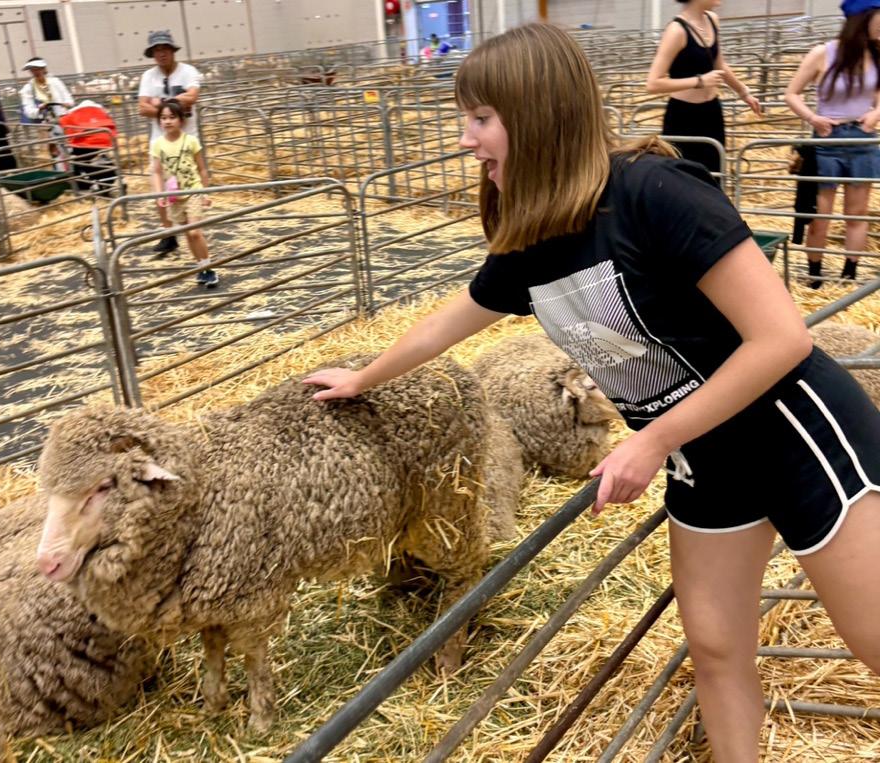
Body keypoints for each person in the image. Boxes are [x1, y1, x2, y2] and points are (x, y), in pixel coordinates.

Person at [304, 24, 880, 763]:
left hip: (798, 438)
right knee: (714, 646)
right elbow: (453, 318)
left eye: (481, 119)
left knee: (872, 636)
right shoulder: (535, 234)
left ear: (537, 114)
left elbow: (781, 339)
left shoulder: (654, 193)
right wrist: (363, 377)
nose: (466, 140)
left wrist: (653, 438)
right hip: (704, 462)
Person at [785, 0, 880, 288]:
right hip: (827, 139)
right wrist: (813, 117)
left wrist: (875, 114)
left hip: (862, 139)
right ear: (863, 19)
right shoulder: (822, 53)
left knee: (857, 214)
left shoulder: (877, 55)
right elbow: (792, 93)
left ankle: (849, 276)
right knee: (820, 215)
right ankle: (815, 276)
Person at [646, 0, 761, 178]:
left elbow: (719, 64)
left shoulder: (712, 19)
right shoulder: (676, 31)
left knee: (714, 174)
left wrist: (743, 92)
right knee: (684, 178)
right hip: (683, 117)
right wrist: (699, 81)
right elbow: (653, 83)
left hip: (712, 112)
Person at [138, 30, 201, 256]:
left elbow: (193, 96)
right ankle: (168, 234)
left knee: (188, 183)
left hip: (186, 139)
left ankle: (192, 229)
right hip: (159, 141)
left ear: (172, 51)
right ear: (152, 54)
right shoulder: (148, 76)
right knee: (160, 186)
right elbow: (142, 107)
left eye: (165, 49)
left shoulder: (188, 71)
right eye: (157, 50)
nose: (161, 53)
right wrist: (173, 108)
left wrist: (161, 104)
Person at [149, 100, 217, 287]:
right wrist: (159, 194)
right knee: (187, 233)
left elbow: (202, 169)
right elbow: (156, 172)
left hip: (193, 189)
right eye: (163, 118)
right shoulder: (158, 145)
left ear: (181, 120)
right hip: (174, 195)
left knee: (194, 232)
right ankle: (200, 267)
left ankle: (209, 268)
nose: (167, 121)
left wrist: (205, 192)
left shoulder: (191, 141)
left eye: (172, 117)